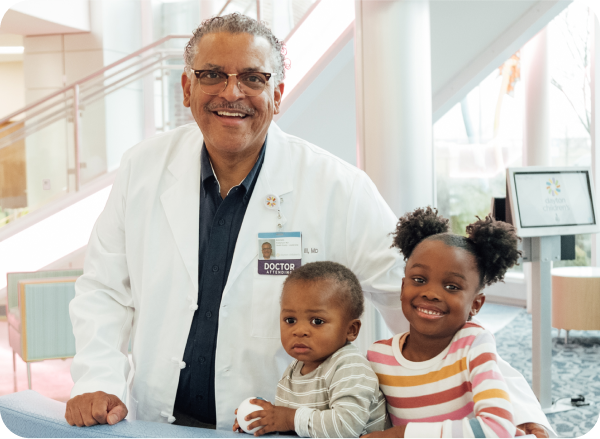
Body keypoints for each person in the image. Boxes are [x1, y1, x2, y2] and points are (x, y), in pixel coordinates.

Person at [65, 13, 553, 439]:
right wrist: (97, 380)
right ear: (187, 87)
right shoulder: (142, 168)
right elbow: (105, 289)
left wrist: (521, 412)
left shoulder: (339, 187)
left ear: (277, 93)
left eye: (253, 78)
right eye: (212, 74)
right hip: (158, 422)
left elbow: (428, 305)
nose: (231, 93)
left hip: (286, 426)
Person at [364, 207, 522, 439]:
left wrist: (404, 435)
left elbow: (497, 429)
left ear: (476, 304)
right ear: (402, 288)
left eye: (452, 287)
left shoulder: (473, 344)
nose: (430, 293)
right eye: (419, 280)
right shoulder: (378, 356)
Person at [233, 261, 389, 437]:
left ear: (351, 330)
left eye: (317, 321)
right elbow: (300, 426)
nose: (299, 331)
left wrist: (286, 419)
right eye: (290, 320)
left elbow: (346, 426)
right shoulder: (294, 370)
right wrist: (261, 420)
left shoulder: (350, 367)